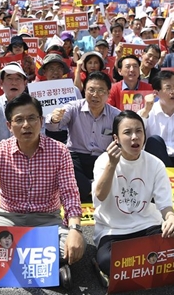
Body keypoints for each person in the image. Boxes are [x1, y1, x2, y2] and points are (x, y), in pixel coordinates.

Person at [0, 93, 86, 288]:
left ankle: (2, 260)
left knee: (74, 244)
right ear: (9, 126)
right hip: (8, 219)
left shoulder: (59, 150)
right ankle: (45, 263)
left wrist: (75, 229)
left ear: (41, 120)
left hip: (47, 220)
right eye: (19, 120)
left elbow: (70, 195)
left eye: (31, 118)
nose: (26, 125)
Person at [91, 110, 174, 282]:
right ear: (115, 138)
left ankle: (134, 265)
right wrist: (112, 165)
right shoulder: (103, 161)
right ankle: (139, 263)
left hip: (147, 224)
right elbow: (100, 197)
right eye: (127, 132)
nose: (134, 137)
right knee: (107, 260)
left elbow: (164, 203)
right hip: (113, 229)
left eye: (139, 131)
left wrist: (170, 218)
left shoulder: (155, 163)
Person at [46, 72, 120, 202]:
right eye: (91, 90)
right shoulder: (73, 107)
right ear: (84, 90)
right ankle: (91, 191)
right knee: (64, 163)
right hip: (76, 156)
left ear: (108, 93)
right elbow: (52, 127)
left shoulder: (115, 115)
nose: (95, 95)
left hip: (103, 158)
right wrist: (55, 119)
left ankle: (88, 191)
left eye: (101, 90)